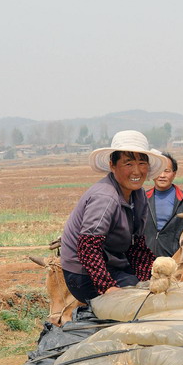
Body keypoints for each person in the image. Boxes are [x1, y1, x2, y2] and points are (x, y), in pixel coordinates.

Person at [60, 130, 168, 303]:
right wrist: (107, 287)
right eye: (128, 164)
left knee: (150, 290)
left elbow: (136, 247)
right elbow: (88, 248)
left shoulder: (138, 195)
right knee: (135, 299)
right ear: (113, 165)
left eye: (142, 163)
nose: (137, 171)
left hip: (112, 263)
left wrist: (153, 274)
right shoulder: (105, 198)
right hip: (83, 272)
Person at [144, 152, 183, 257]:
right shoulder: (143, 199)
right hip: (145, 261)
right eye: (158, 171)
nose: (162, 175)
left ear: (174, 174)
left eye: (167, 171)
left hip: (174, 259)